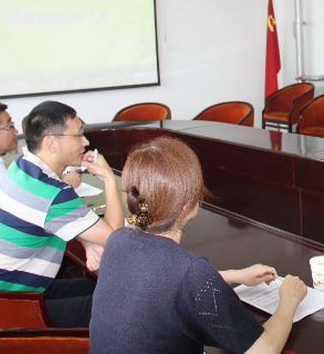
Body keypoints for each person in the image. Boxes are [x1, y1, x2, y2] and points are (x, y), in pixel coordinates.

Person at [90, 137, 308, 354]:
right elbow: (264, 349)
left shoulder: (117, 240)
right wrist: (289, 300)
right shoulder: (190, 271)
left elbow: (164, 284)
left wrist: (235, 275)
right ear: (189, 204)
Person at [0, 101, 124, 328]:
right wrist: (109, 179)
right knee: (116, 305)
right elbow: (115, 237)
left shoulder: (22, 167)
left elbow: (45, 215)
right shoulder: (52, 192)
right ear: (50, 143)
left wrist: (87, 240)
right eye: (78, 135)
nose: (85, 142)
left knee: (89, 287)